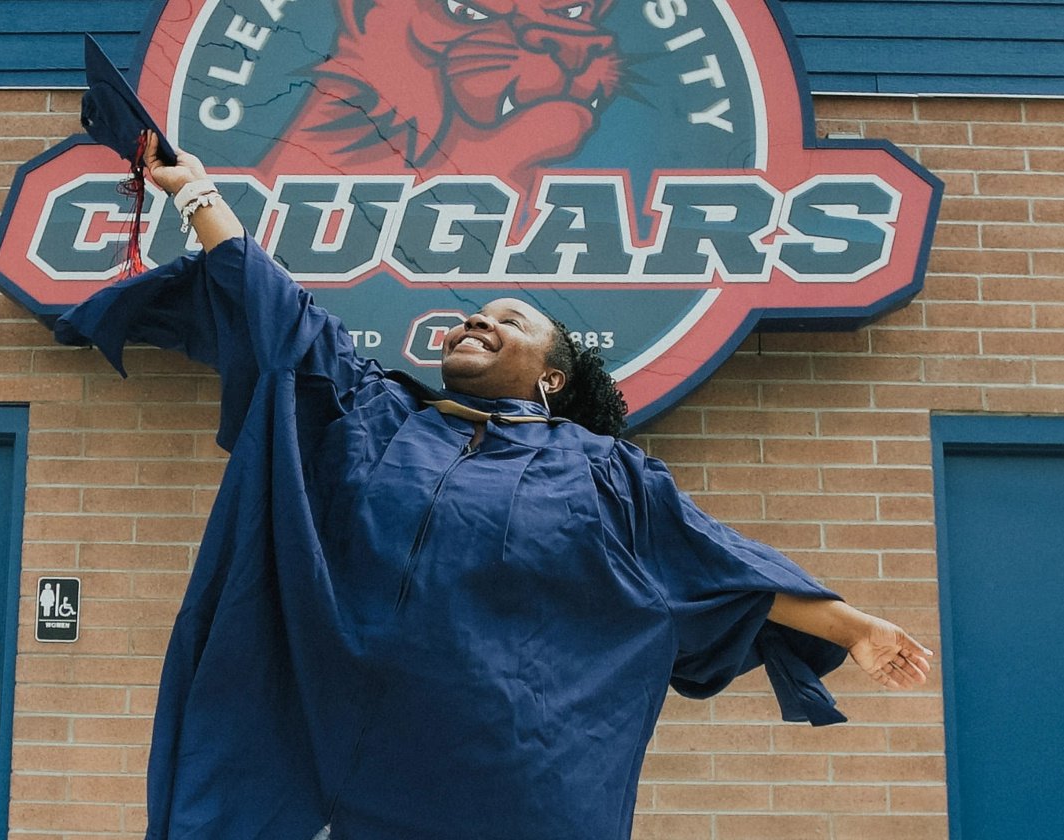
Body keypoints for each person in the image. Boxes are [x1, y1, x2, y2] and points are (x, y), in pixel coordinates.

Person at [55, 135, 932, 840]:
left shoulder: (605, 474)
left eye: (512, 322)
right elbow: (280, 314)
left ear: (552, 379)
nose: (480, 318)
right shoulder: (372, 411)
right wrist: (196, 192)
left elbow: (714, 565)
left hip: (495, 770)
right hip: (313, 716)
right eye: (477, 312)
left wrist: (852, 626)